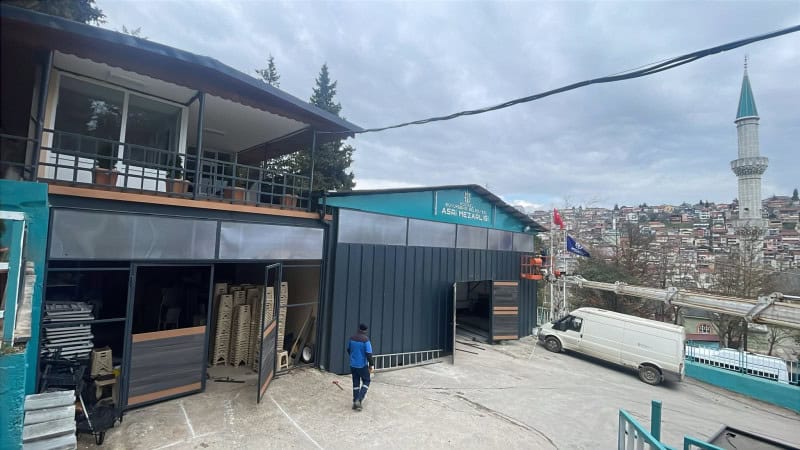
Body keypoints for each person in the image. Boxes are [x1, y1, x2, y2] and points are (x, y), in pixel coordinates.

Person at [347, 323, 374, 410]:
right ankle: (359, 399)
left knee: (356, 383)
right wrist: (371, 365)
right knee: (367, 380)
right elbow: (369, 354)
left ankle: (355, 402)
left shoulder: (352, 338)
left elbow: (348, 349)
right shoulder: (366, 340)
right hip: (362, 365)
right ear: (366, 330)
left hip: (353, 365)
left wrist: (353, 358)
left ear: (358, 329)